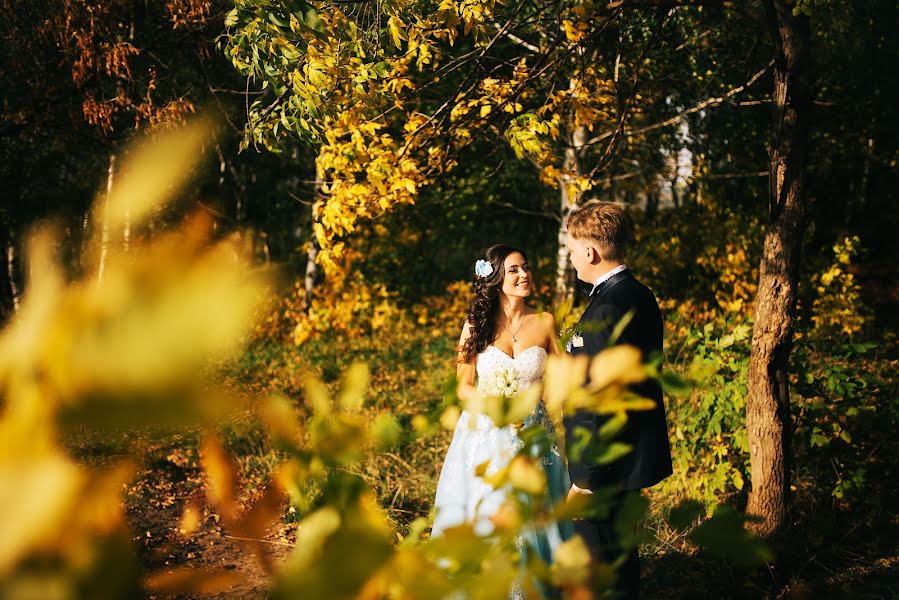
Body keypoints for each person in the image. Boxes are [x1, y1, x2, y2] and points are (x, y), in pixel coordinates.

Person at [431, 244, 572, 596]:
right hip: (486, 436)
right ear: (495, 278)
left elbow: (565, 379)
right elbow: (463, 386)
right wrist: (492, 406)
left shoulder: (544, 322)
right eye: (514, 270)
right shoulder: (475, 326)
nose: (524, 275)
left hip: (535, 437)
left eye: (526, 267)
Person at [563, 202, 673, 600]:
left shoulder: (607, 307)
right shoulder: (639, 294)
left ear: (590, 252)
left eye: (572, 250)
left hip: (604, 468)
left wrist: (586, 478)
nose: (572, 259)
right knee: (621, 563)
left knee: (599, 569)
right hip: (630, 458)